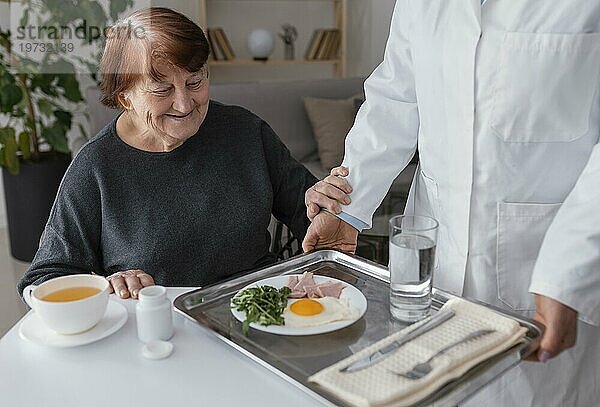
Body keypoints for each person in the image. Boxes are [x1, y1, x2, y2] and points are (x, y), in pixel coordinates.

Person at [302, 1, 599, 406]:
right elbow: (394, 100)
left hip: (547, 272)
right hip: (429, 273)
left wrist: (566, 277)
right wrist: (349, 208)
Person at [17, 7, 342, 299]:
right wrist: (110, 284)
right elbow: (45, 277)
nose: (185, 104)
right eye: (162, 89)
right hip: (160, 330)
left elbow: (310, 211)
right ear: (124, 95)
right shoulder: (96, 166)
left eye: (195, 81)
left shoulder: (246, 131)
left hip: (259, 312)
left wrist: (329, 209)